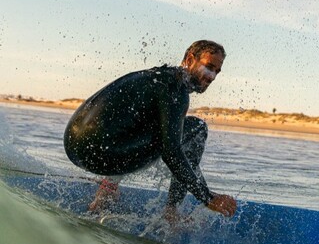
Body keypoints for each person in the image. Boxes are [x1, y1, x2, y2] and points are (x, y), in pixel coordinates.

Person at [64, 40, 237, 222]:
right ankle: (171, 212)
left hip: (74, 147)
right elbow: (171, 152)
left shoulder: (158, 76)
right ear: (190, 58)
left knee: (155, 128)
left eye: (217, 71)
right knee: (196, 129)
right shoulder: (175, 89)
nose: (212, 77)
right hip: (100, 156)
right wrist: (208, 197)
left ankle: (108, 188)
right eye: (209, 67)